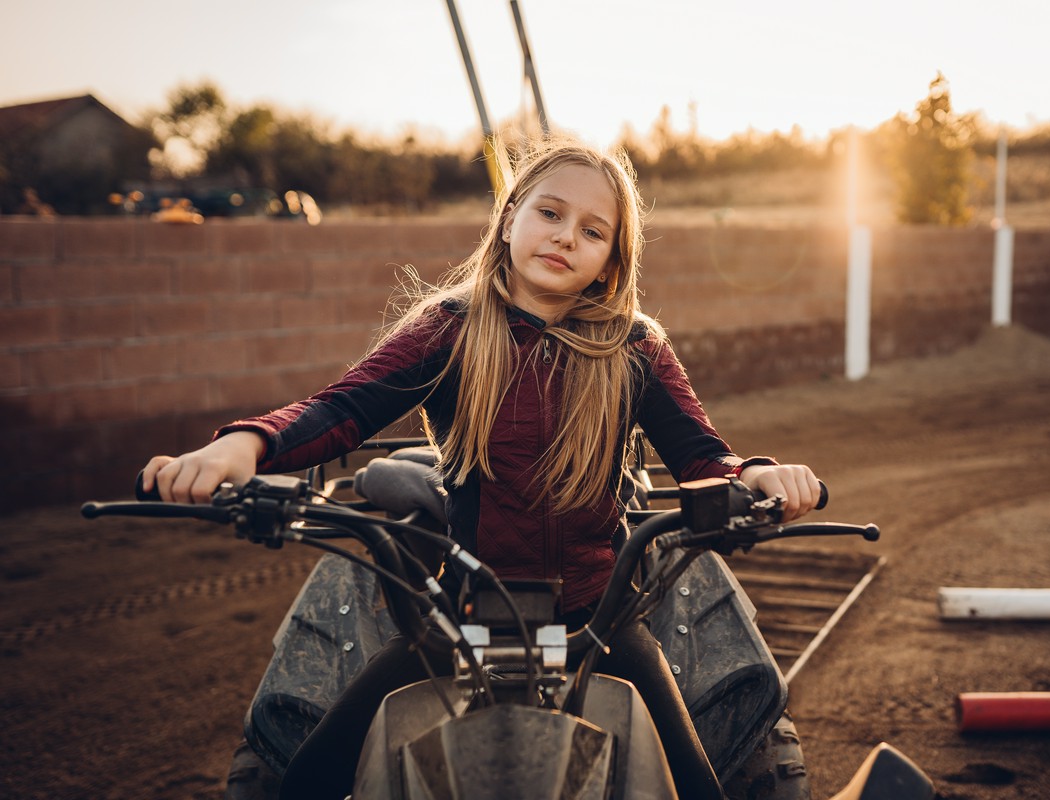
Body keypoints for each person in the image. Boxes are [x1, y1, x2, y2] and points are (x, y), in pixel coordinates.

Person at [143, 138, 822, 799]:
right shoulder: (449, 328)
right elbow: (341, 409)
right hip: (461, 619)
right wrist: (245, 445)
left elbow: (701, 454)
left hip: (599, 619)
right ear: (509, 218)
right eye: (549, 213)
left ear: (611, 263)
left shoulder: (634, 346)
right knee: (308, 777)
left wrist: (755, 475)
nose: (564, 237)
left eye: (592, 231)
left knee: (697, 782)